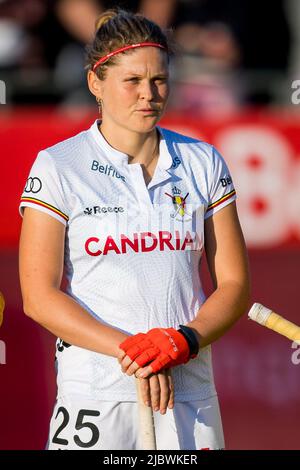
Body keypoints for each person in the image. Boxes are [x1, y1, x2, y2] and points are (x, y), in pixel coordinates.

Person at [19, 8, 250, 450]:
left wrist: (182, 341)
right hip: (96, 393)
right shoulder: (58, 165)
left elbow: (235, 284)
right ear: (95, 83)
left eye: (159, 80)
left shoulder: (203, 161)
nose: (149, 95)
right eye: (132, 81)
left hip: (187, 391)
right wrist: (138, 353)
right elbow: (39, 296)